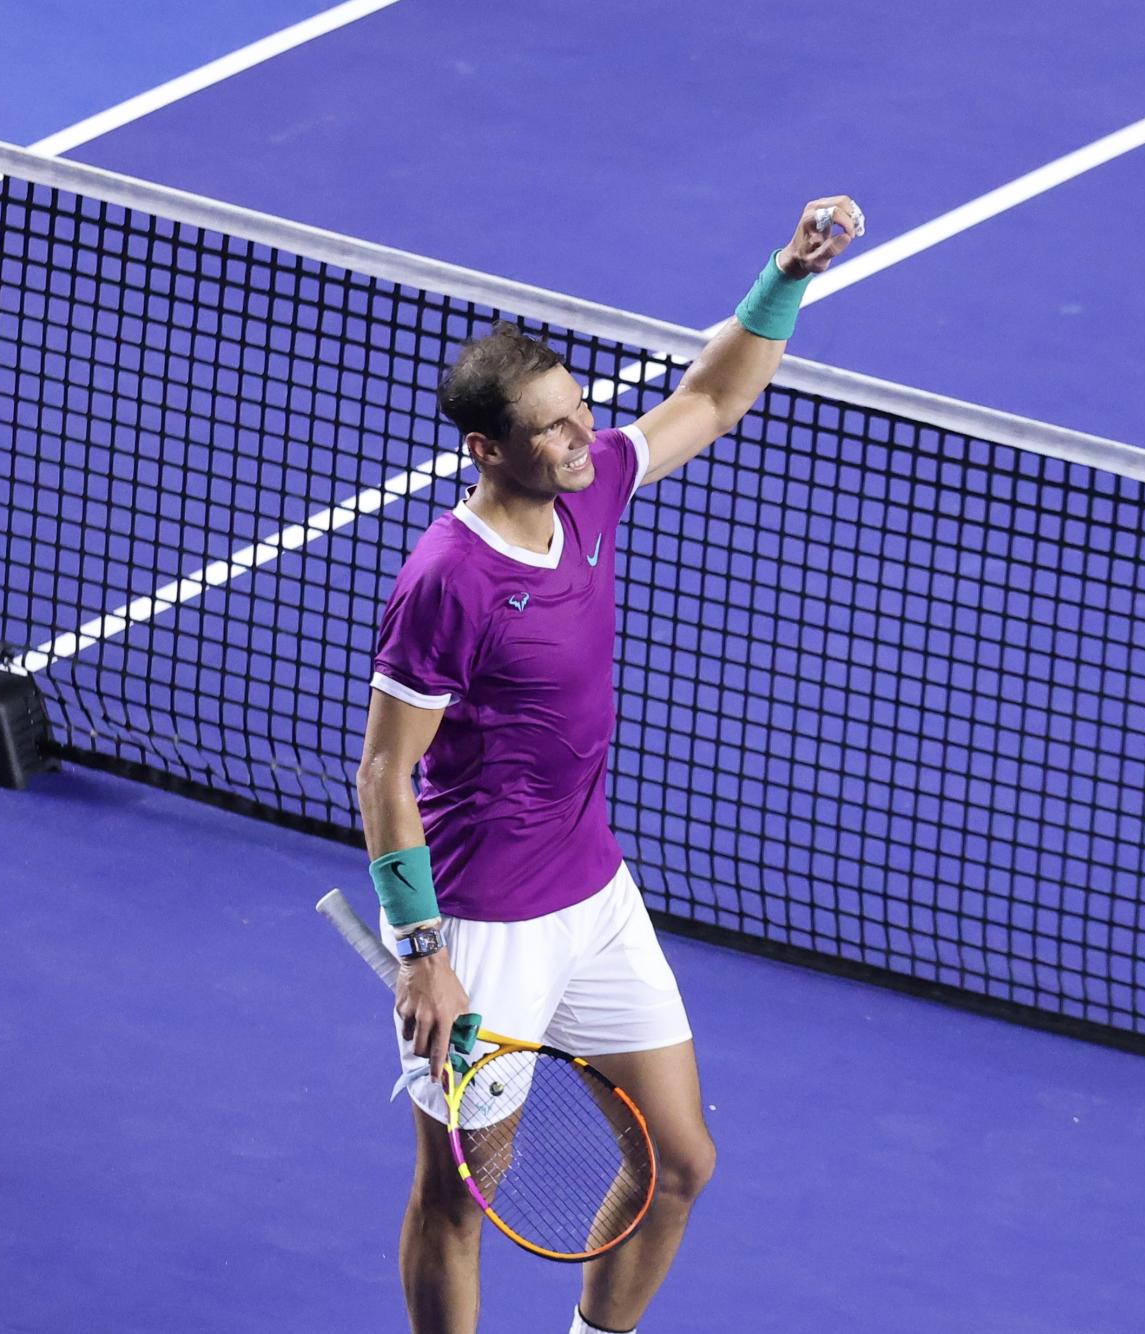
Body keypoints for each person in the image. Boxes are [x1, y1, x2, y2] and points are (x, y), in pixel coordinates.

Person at [355, 196, 864, 1334]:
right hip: (483, 923)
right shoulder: (448, 579)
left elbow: (714, 395)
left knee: (679, 1161)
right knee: (459, 1196)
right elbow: (385, 773)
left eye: (582, 412)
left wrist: (785, 270)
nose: (584, 438)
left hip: (593, 895)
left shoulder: (592, 491)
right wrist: (426, 954)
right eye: (553, 427)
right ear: (487, 447)